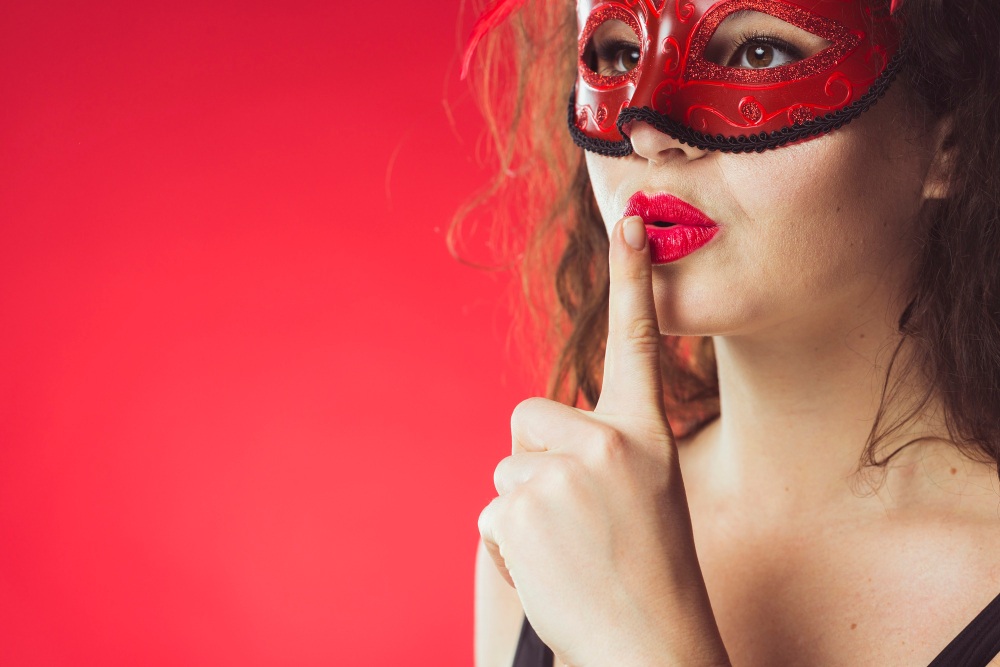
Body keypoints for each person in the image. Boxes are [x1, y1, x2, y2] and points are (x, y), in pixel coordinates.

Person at [457, 0, 1000, 665]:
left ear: (952, 141)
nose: (646, 128)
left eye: (758, 53)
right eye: (622, 52)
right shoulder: (552, 534)